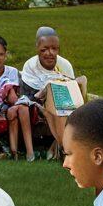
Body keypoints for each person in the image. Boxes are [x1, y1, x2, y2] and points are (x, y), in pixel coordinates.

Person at [20, 27, 87, 159]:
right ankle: (64, 149)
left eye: (54, 49)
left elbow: (71, 89)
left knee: (64, 106)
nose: (49, 53)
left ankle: (60, 147)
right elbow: (30, 95)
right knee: (57, 108)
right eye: (44, 49)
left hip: (65, 103)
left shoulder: (65, 65)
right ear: (37, 48)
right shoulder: (30, 66)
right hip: (38, 104)